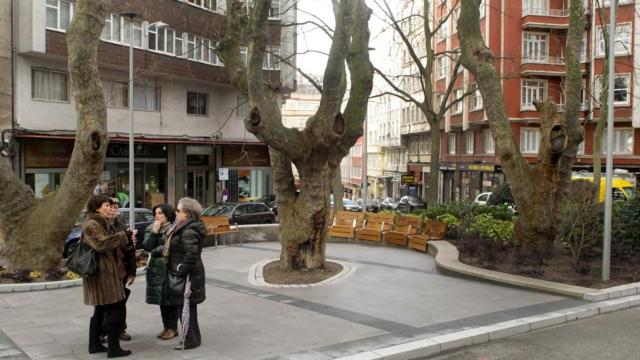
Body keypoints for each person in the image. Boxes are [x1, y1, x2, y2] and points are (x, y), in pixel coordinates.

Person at [82, 194, 132, 358]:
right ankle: (113, 348)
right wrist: (122, 236)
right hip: (102, 275)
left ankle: (95, 344)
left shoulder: (102, 223)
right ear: (96, 207)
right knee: (115, 309)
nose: (110, 208)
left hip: (107, 273)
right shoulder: (92, 225)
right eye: (106, 205)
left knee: (101, 310)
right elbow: (101, 244)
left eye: (111, 206)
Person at [164, 197, 206, 350]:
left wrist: (180, 271)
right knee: (187, 308)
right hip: (186, 274)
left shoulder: (188, 230)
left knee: (185, 308)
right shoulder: (184, 227)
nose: (175, 212)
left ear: (187, 213)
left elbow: (191, 256)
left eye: (178, 210)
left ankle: (190, 340)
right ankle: (193, 338)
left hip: (187, 276)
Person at [141, 203, 178, 340]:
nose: (157, 216)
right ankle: (166, 327)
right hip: (156, 269)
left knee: (170, 299)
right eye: (155, 213)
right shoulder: (151, 228)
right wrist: (154, 232)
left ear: (168, 215)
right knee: (161, 300)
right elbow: (146, 246)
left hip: (169, 267)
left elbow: (172, 246)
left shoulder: (174, 229)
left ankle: (173, 328)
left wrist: (157, 250)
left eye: (160, 213)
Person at [109, 198, 136, 342]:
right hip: (107, 271)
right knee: (104, 303)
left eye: (115, 208)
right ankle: (102, 330)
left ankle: (121, 329)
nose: (113, 210)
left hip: (121, 269)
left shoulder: (120, 225)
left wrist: (132, 271)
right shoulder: (102, 226)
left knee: (121, 302)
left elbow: (130, 249)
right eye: (110, 207)